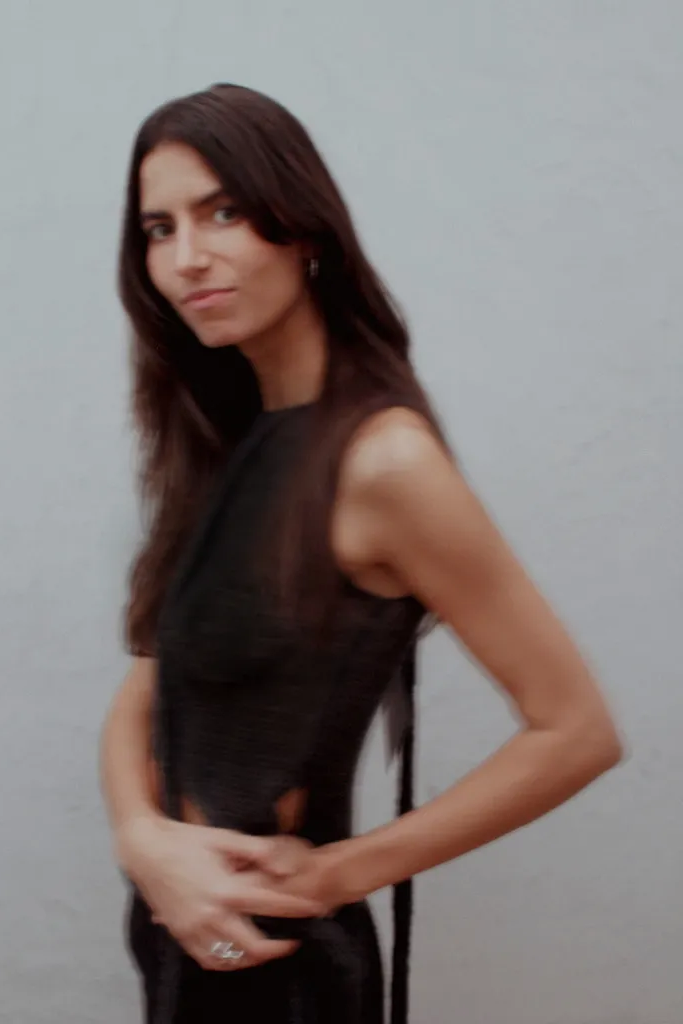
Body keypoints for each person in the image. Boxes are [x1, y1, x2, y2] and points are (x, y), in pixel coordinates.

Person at [99, 83, 622, 1024]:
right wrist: (143, 840)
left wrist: (336, 874)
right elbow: (143, 698)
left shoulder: (383, 461)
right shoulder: (229, 444)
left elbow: (576, 731)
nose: (187, 257)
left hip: (282, 976)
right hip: (182, 949)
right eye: (158, 228)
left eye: (223, 212)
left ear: (303, 229)